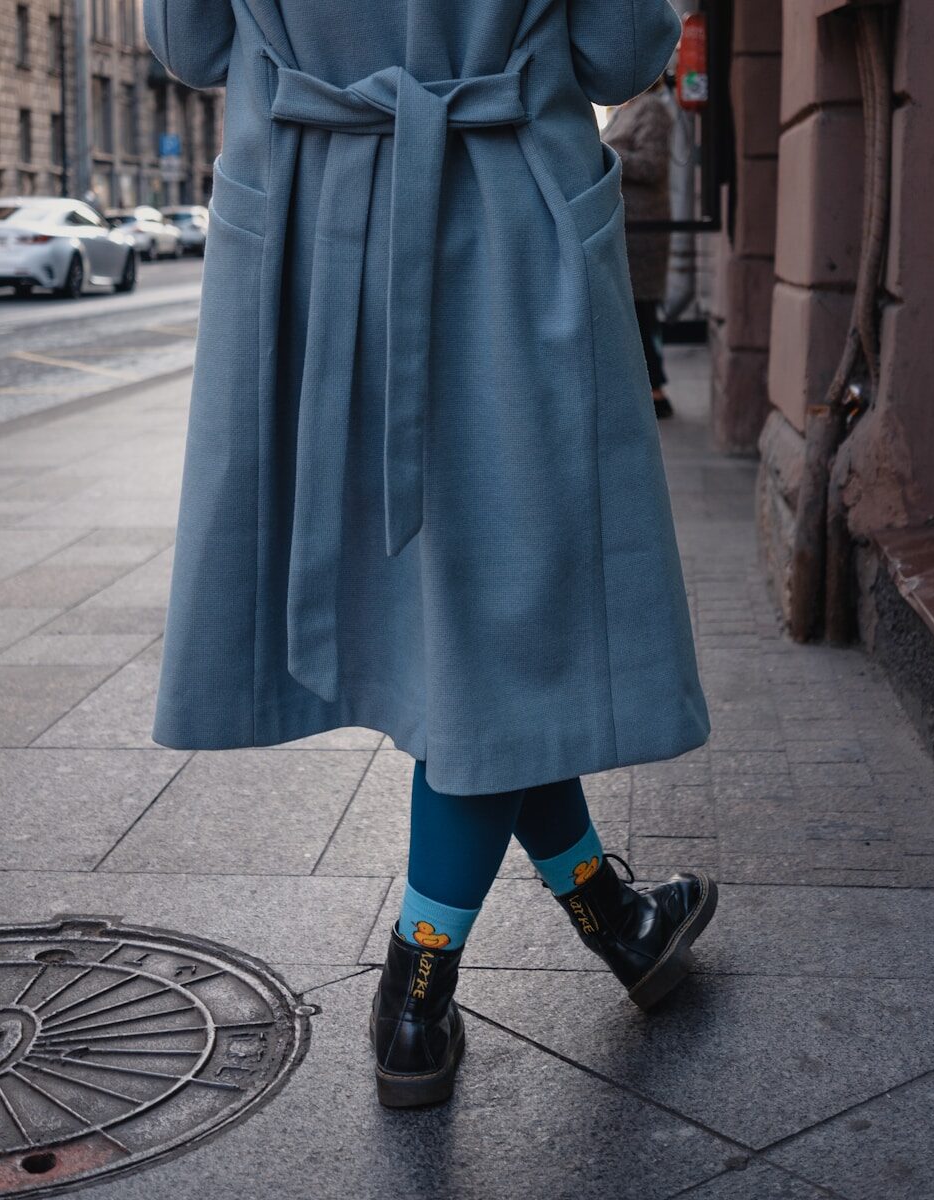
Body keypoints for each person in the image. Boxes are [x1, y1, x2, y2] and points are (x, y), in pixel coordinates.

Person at [144, 0, 715, 1110]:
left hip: (308, 227)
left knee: (488, 640)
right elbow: (621, 50)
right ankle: (418, 981)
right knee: (502, 622)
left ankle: (616, 917)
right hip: (505, 225)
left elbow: (190, 43)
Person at [602, 76, 676, 418]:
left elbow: (652, 164)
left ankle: (656, 392)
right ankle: (643, 391)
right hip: (626, 225)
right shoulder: (623, 110)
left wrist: (604, 153)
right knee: (629, 310)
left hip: (644, 230)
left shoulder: (652, 109)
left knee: (641, 311)